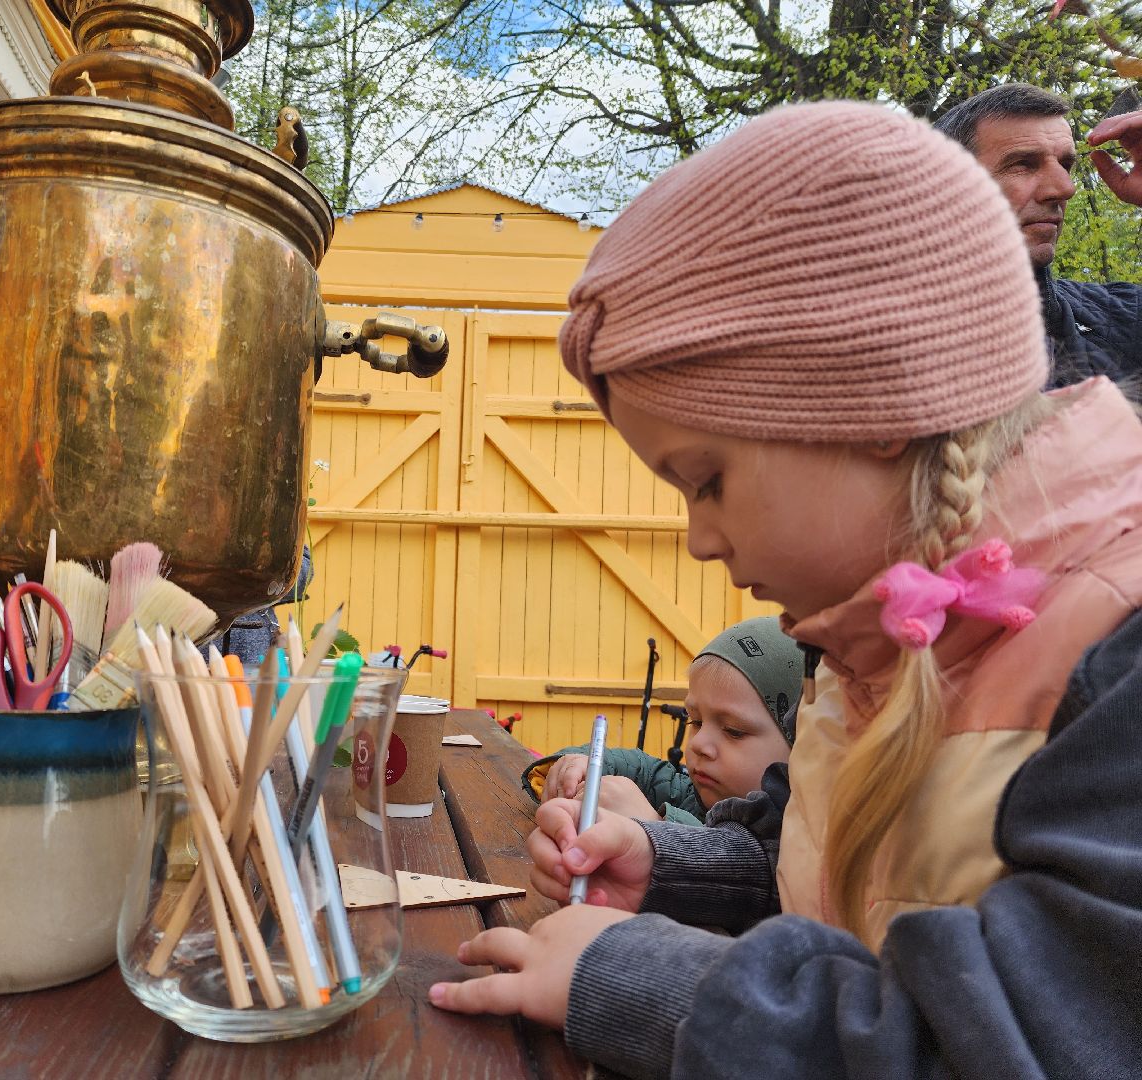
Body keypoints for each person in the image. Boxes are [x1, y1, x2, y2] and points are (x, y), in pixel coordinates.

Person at [427, 101, 1142, 1078]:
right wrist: (677, 871)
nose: (698, 540)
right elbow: (851, 874)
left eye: (708, 480)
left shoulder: (1117, 657)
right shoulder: (868, 645)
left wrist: (656, 985)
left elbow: (1031, 1045)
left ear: (879, 406)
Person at [935, 83, 1142, 387]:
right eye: (1023, 164)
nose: (1065, 188)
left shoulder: (1123, 317)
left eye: (1065, 164)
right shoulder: (882, 348)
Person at [521, 616, 801, 824]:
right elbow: (645, 769)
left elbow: (734, 871)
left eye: (733, 730)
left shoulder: (796, 843)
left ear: (802, 746)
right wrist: (581, 764)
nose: (699, 744)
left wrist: (654, 827)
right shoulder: (692, 795)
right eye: (696, 722)